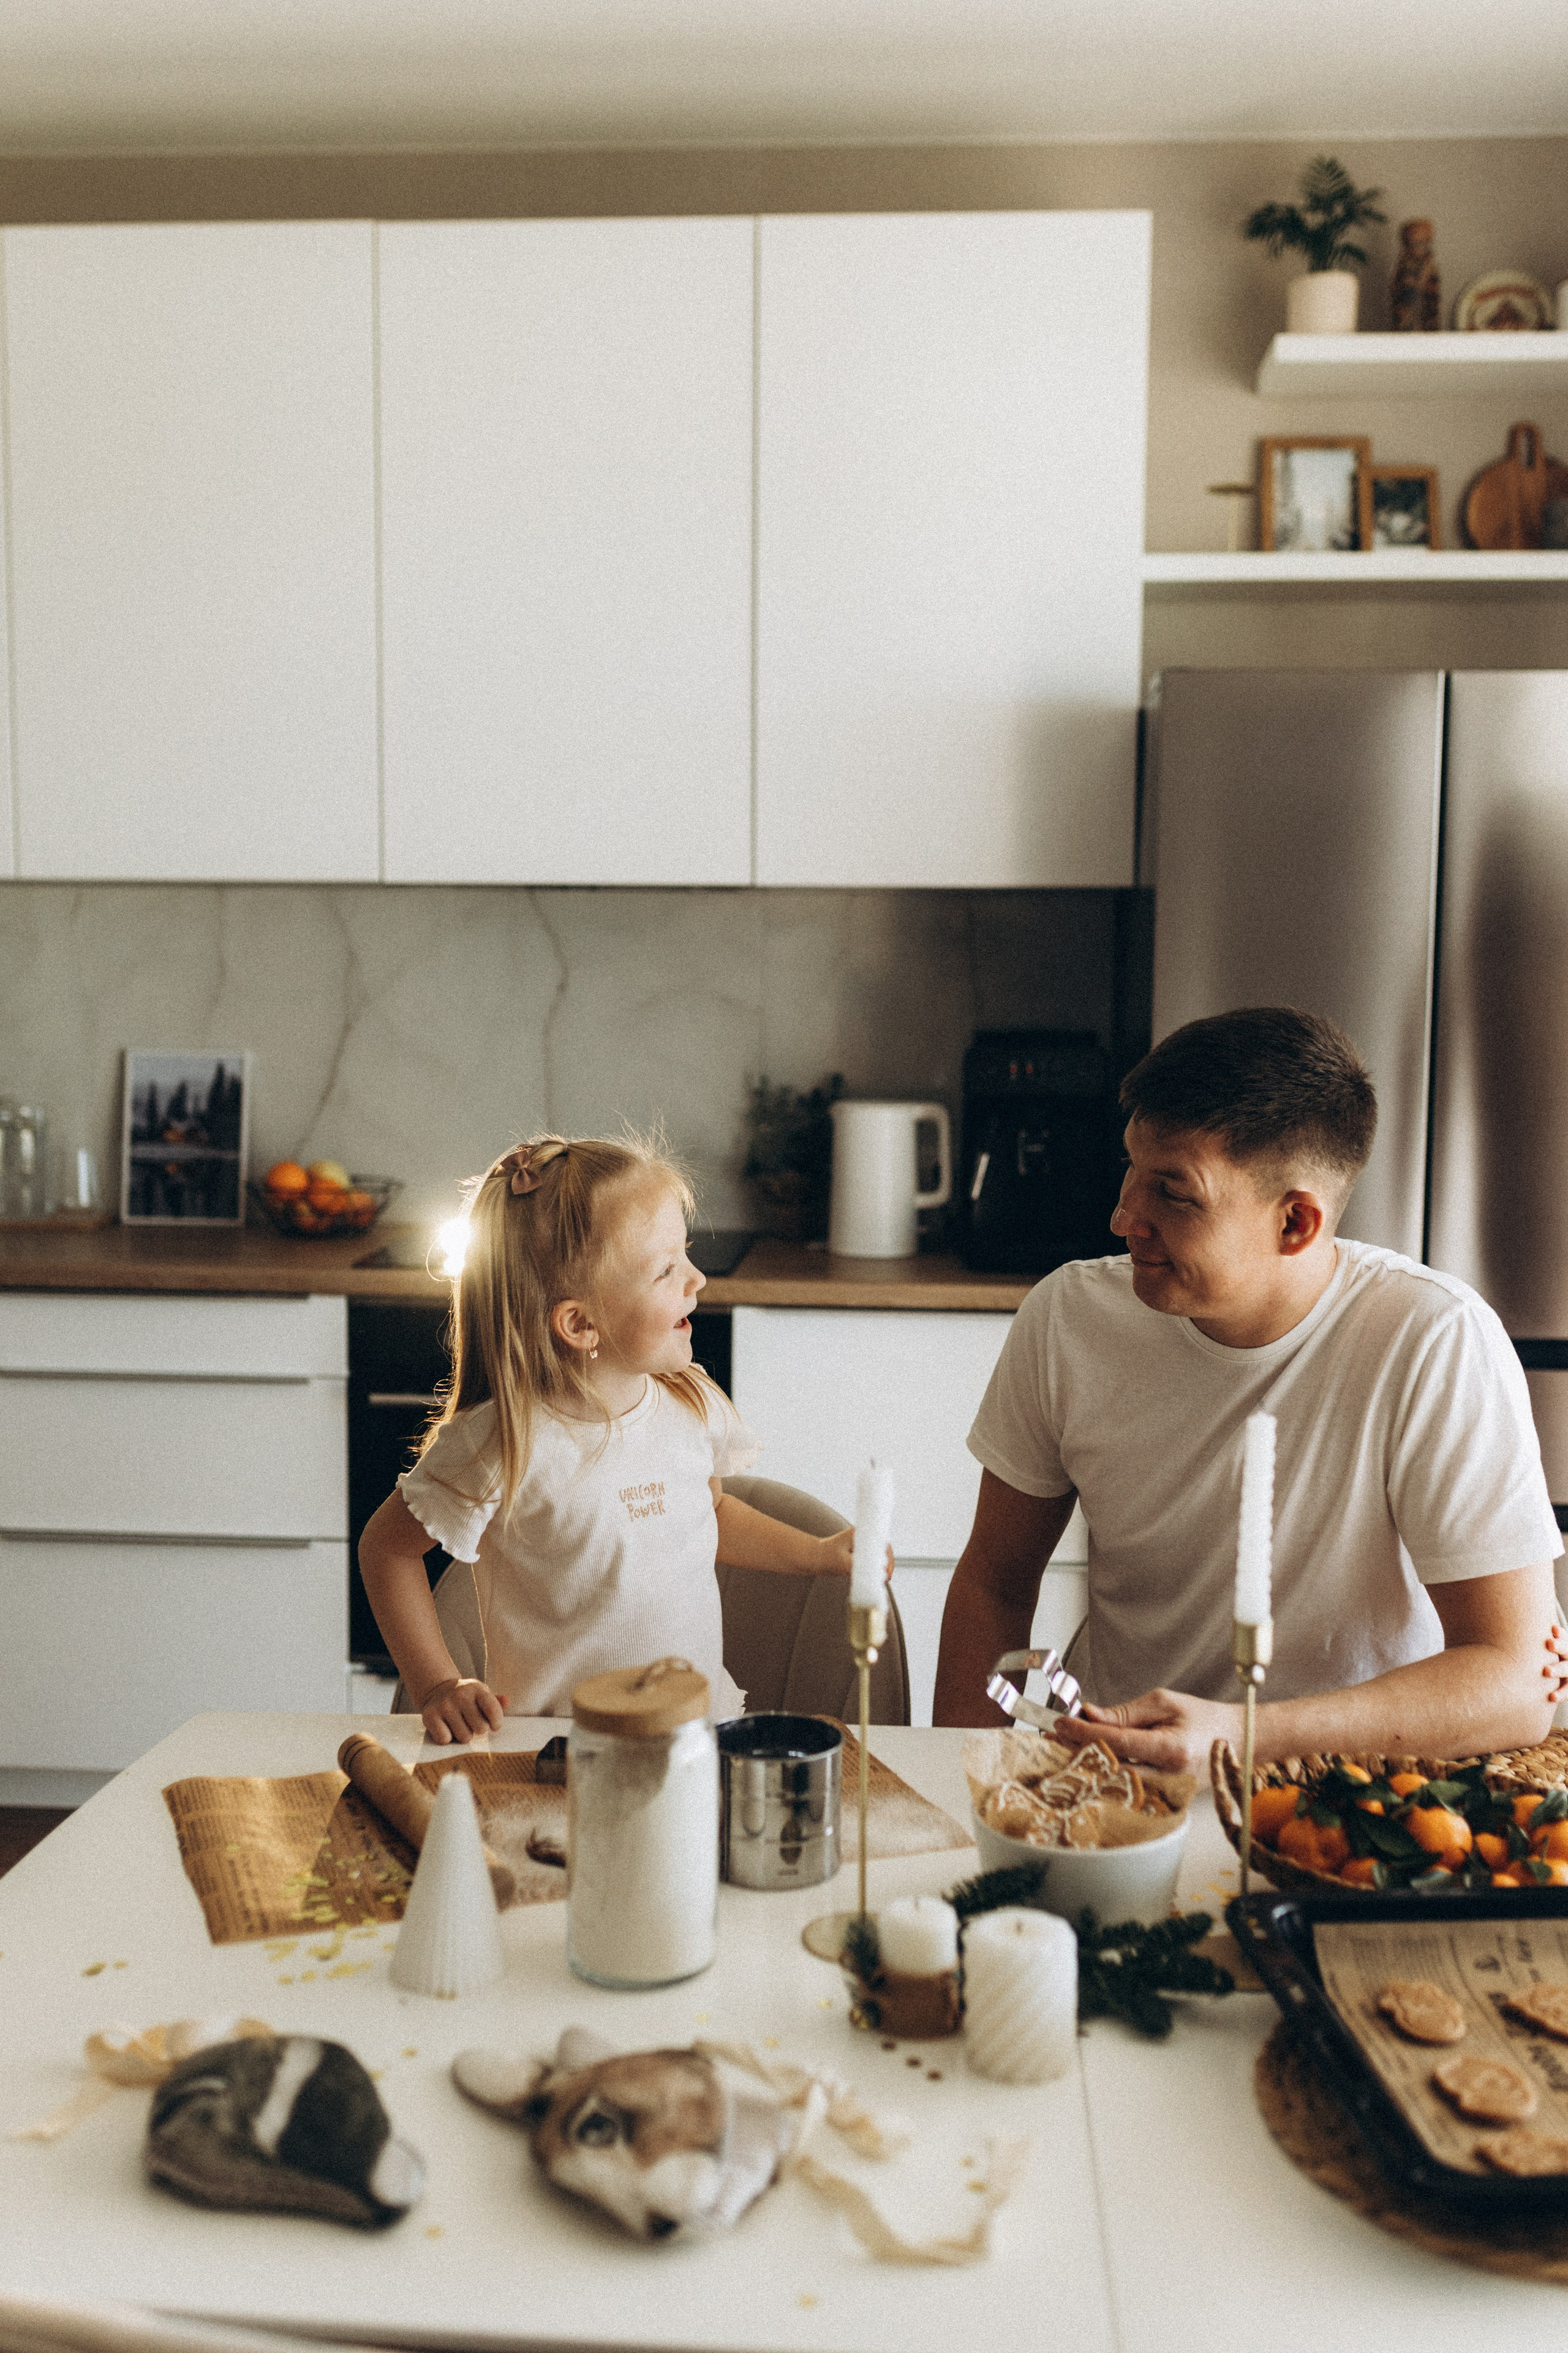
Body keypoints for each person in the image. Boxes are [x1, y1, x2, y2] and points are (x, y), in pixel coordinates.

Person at [932, 1007, 1568, 1767]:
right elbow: (993, 1582)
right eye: (1130, 1170)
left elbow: (1520, 1679)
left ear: (1296, 1222)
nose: (1121, 1215)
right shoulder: (1069, 1317)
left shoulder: (1432, 1341)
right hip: (1111, 1784)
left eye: (1172, 1191)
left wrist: (1242, 1737)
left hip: (1349, 1802)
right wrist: (957, 1787)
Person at [360, 1133, 878, 1745]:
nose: (697, 1279)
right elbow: (387, 1550)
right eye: (666, 1270)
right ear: (580, 1323)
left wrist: (819, 1556)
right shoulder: (507, 1441)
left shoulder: (688, 1400)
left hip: (692, 1738)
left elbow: (706, 1514)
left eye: (685, 1255)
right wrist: (438, 1685)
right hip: (555, 1753)